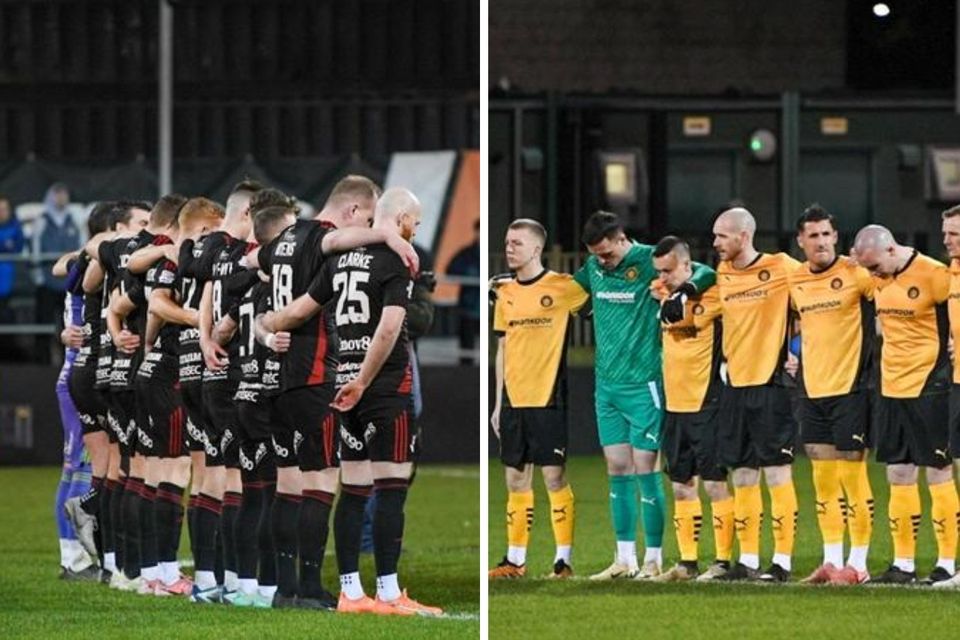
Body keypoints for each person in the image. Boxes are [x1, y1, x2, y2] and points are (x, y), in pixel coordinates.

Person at [264, 187, 440, 615]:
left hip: (339, 383)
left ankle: (350, 592)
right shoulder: (397, 259)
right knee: (392, 486)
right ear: (400, 220)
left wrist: (267, 323)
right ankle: (388, 593)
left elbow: (299, 309)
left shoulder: (339, 260)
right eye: (414, 223)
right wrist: (364, 380)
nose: (414, 231)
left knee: (355, 488)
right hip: (381, 385)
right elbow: (390, 328)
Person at [571, 211, 715, 581]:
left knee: (644, 468)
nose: (602, 261)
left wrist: (682, 292)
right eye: (596, 255)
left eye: (607, 253)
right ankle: (624, 559)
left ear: (622, 240)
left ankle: (653, 558)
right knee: (616, 467)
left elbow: (703, 272)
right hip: (606, 383)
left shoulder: (651, 259)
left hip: (645, 381)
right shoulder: (593, 266)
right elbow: (571, 291)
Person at [853, 224, 958, 585]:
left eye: (875, 268)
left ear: (892, 250)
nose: (872, 276)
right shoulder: (874, 274)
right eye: (867, 269)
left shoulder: (934, 275)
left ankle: (946, 563)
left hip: (929, 386)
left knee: (938, 473)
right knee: (898, 474)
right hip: (891, 387)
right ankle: (904, 564)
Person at [487, 219, 586, 580]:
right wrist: (498, 402)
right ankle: (514, 561)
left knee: (554, 478)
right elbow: (502, 348)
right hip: (514, 400)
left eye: (516, 242)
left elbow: (598, 304)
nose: (509, 248)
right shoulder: (505, 292)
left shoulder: (562, 287)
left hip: (549, 397)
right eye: (506, 241)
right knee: (515, 480)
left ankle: (563, 561)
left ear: (536, 249)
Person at [786, 205, 876, 585]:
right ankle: (831, 561)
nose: (821, 242)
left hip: (851, 389)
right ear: (801, 241)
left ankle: (859, 566)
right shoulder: (795, 281)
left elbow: (891, 296)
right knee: (823, 481)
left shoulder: (857, 274)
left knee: (852, 478)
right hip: (812, 389)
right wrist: (790, 353)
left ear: (836, 237)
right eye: (814, 235)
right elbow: (788, 320)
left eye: (827, 234)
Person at [711, 205, 800, 583]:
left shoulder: (782, 267)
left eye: (721, 236)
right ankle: (747, 560)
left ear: (743, 236)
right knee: (743, 474)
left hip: (770, 385)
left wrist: (797, 349)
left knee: (776, 472)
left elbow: (812, 301)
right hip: (735, 387)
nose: (715, 243)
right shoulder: (722, 272)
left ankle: (781, 562)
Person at [650, 236, 734, 582]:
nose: (663, 278)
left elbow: (711, 273)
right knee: (681, 484)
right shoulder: (662, 294)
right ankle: (687, 562)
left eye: (669, 271)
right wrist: (670, 291)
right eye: (659, 272)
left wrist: (687, 288)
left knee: (715, 483)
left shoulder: (710, 293)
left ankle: (724, 561)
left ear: (687, 266)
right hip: (674, 405)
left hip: (707, 402)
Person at [33, 183, 83, 362]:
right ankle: (41, 362)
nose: (62, 197)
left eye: (64, 194)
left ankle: (68, 360)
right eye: (58, 194)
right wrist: (39, 275)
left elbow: (82, 248)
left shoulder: (74, 220)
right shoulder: (42, 220)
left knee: (69, 323)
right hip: (47, 281)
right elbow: (36, 248)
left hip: (69, 283)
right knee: (45, 323)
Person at [447, 219, 480, 365]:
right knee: (466, 352)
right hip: (469, 307)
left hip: (490, 309)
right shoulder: (466, 254)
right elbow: (451, 270)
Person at [0, 196, 24, 325]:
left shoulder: (15, 228)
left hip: (11, 281)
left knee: (7, 315)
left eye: (4, 209)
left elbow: (17, 248)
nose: (1, 212)